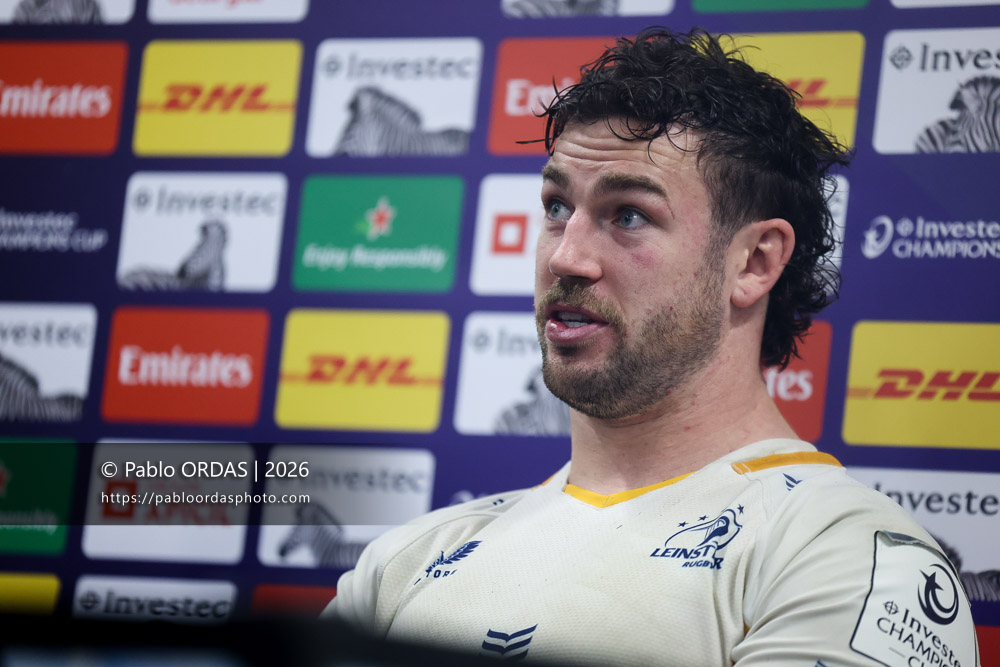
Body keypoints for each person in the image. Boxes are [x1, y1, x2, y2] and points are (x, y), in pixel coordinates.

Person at [324, 28, 980, 666]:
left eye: (628, 214)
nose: (568, 256)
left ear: (754, 262)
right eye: (557, 207)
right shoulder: (410, 556)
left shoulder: (854, 559)